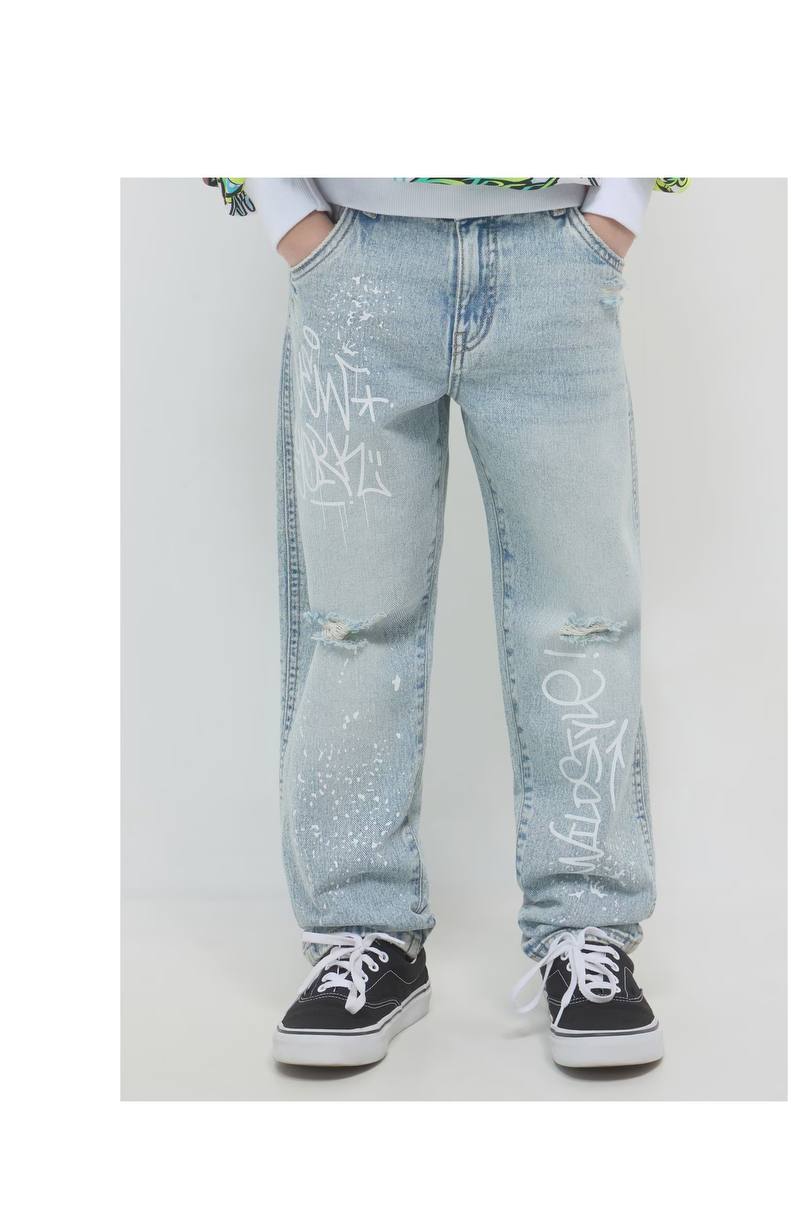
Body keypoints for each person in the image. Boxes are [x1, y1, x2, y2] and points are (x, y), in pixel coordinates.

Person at [205, 176, 688, 1069]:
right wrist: (286, 212)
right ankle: (362, 931)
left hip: (557, 257)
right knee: (353, 621)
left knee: (582, 617)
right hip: (354, 254)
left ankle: (588, 929)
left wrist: (620, 205)